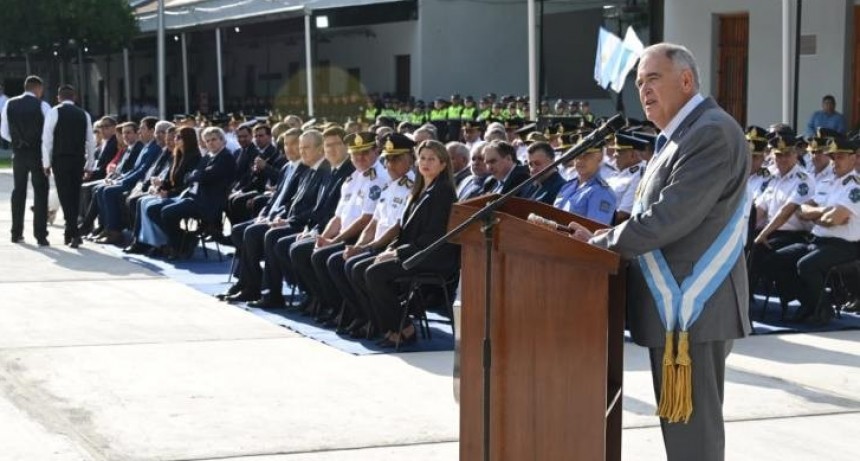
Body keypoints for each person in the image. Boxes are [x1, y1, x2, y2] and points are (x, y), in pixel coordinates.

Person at [567, 43, 750, 461]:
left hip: (694, 307)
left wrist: (597, 244)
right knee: (683, 435)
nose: (644, 90)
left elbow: (670, 217)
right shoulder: (679, 136)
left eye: (653, 78)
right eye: (638, 82)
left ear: (686, 80)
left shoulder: (710, 133)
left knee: (694, 440)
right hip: (677, 311)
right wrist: (598, 235)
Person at [359, 139, 459, 347]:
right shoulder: (420, 188)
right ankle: (386, 326)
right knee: (360, 267)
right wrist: (390, 248)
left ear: (443, 164)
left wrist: (397, 253)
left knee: (374, 273)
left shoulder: (442, 192)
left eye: (432, 159)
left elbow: (432, 237)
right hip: (415, 251)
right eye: (422, 158)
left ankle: (404, 328)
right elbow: (405, 230)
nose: (425, 163)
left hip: (431, 256)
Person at [767, 137, 860, 324]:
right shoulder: (827, 183)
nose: (835, 161)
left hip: (843, 246)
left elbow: (833, 220)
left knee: (806, 265)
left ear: (853, 158)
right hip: (817, 240)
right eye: (833, 157)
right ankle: (810, 303)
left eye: (840, 157)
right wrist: (826, 212)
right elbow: (803, 210)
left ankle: (822, 309)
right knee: (776, 260)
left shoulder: (855, 187)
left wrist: (818, 215)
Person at [40, 84, 95, 248]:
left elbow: (47, 140)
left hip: (61, 159)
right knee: (74, 195)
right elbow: (90, 141)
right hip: (78, 160)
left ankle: (74, 232)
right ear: (75, 97)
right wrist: (90, 164)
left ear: (58, 97)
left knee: (64, 196)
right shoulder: (84, 114)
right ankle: (70, 232)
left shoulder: (54, 112)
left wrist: (46, 163)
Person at [1, 75, 52, 245]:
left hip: (19, 153)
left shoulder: (10, 103)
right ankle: (41, 235)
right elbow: (48, 133)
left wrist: (17, 142)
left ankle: (16, 233)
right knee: (41, 191)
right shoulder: (43, 105)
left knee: (18, 191)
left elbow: (4, 131)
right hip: (37, 152)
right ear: (38, 88)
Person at [553, 133, 617, 225]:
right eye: (577, 154)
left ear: (600, 157)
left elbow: (594, 229)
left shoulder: (601, 192)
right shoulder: (567, 186)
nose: (580, 159)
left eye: (587, 154)